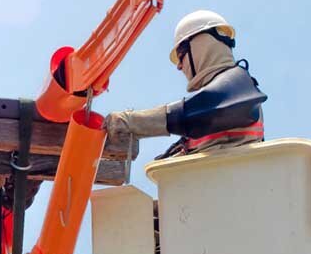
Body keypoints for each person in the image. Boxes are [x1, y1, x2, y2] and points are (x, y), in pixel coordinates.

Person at [106, 10, 267, 159]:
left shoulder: (238, 86)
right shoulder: (201, 120)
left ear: (201, 46)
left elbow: (206, 108)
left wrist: (132, 121)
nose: (179, 66)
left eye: (181, 53)